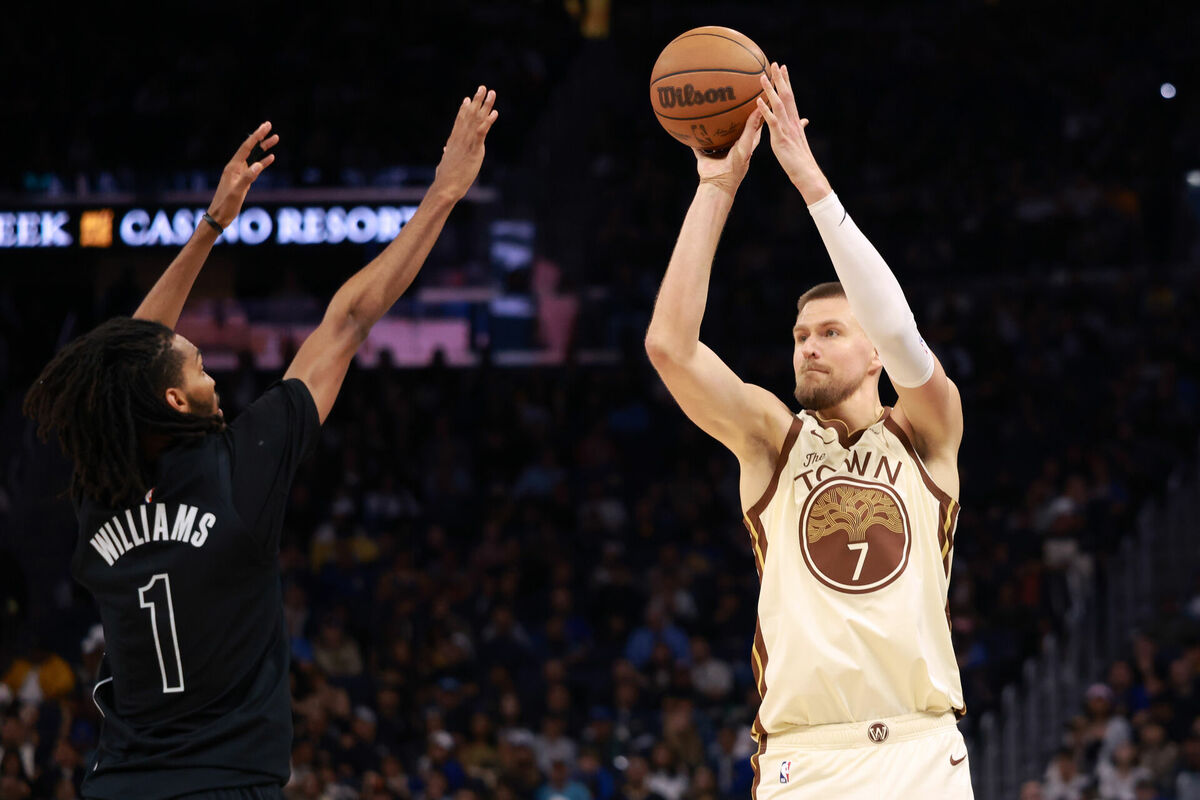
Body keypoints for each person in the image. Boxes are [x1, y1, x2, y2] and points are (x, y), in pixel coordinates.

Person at [23, 86, 498, 799]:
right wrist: (442, 195)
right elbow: (347, 323)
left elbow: (125, 363)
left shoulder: (103, 484)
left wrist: (213, 225)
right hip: (225, 785)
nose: (212, 367)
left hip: (119, 783)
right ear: (177, 401)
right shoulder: (238, 471)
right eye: (200, 366)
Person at [644, 62, 970, 798]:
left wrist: (809, 183)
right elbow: (669, 346)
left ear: (874, 353)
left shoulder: (927, 433)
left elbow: (901, 328)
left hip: (922, 750)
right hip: (807, 759)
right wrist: (715, 188)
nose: (808, 346)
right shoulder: (773, 440)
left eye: (829, 332)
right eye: (800, 335)